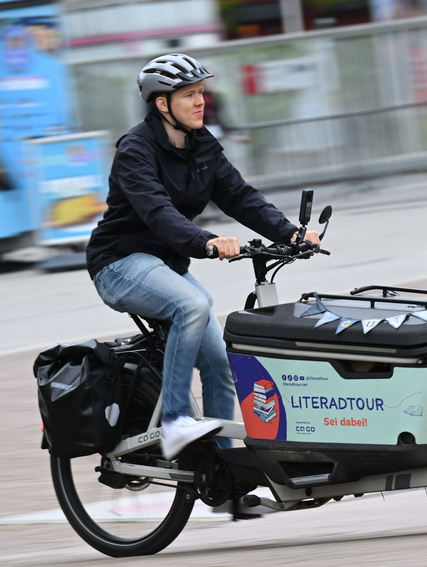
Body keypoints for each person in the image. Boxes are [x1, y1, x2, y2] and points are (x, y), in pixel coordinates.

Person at [86, 53, 320, 460]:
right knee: (194, 304)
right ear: (162, 104)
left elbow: (239, 197)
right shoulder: (135, 151)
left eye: (201, 94)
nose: (201, 102)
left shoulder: (201, 145)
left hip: (165, 266)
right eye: (190, 95)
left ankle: (227, 474)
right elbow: (158, 212)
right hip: (120, 263)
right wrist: (207, 241)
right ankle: (175, 422)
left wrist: (291, 233)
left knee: (219, 364)